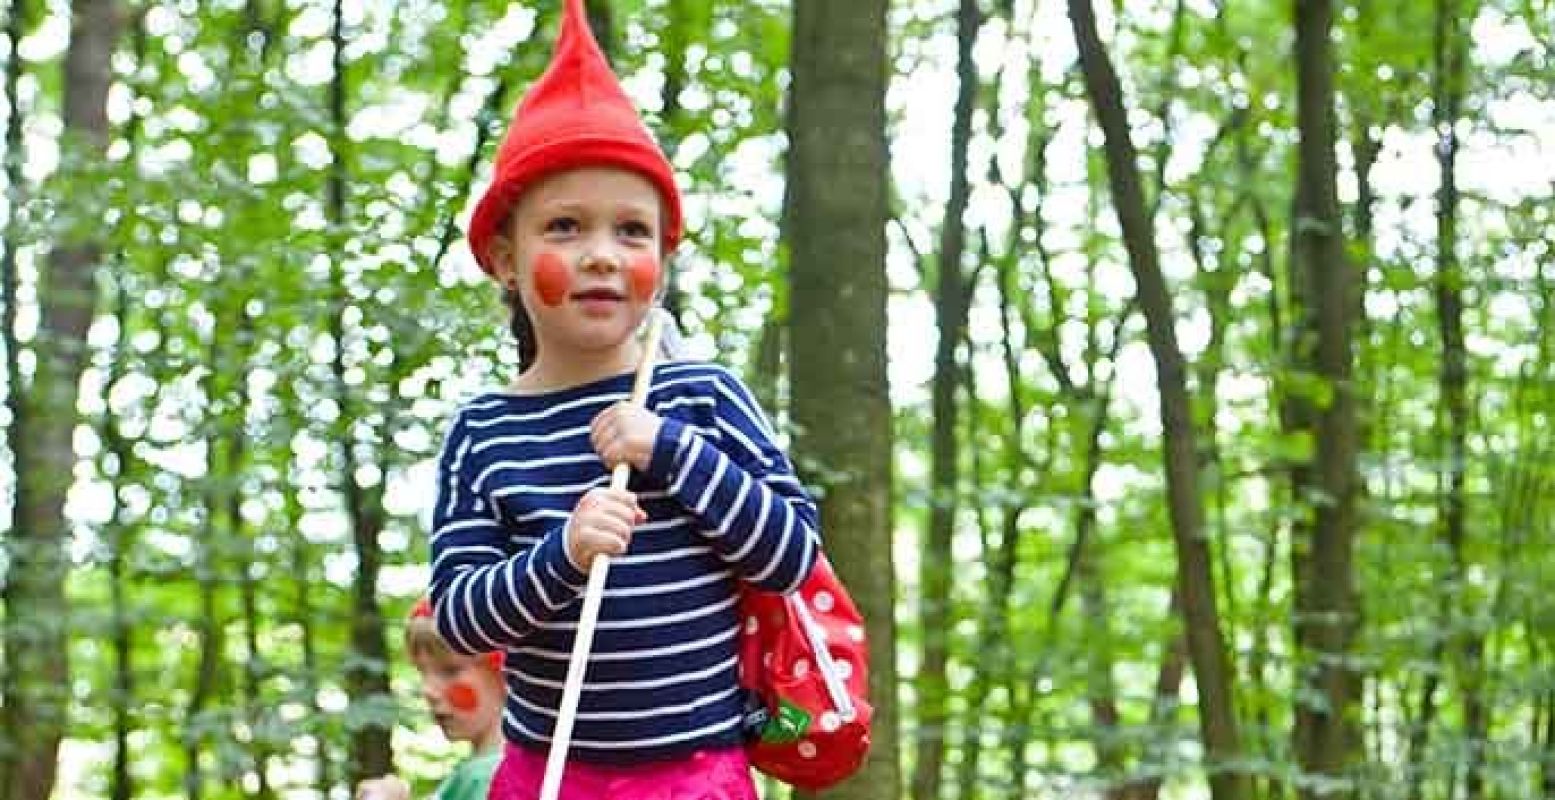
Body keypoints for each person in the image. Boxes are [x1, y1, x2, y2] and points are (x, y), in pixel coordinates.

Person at [426, 1, 822, 797]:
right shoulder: (485, 431)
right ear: (505, 259)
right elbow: (461, 619)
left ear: (662, 261)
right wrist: (562, 554)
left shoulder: (702, 397)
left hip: (699, 775)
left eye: (632, 232)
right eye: (566, 227)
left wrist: (671, 452)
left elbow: (791, 556)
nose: (603, 255)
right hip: (548, 776)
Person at [355, 598, 505, 800]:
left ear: (507, 672)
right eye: (422, 672)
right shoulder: (478, 774)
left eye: (450, 671)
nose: (428, 690)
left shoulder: (488, 778)